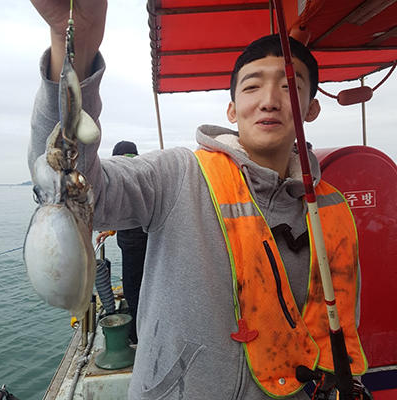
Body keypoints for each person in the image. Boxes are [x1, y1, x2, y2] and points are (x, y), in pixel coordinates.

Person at [28, 2, 367, 399]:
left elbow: (335, 321)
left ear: (311, 108)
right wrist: (74, 46)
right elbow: (75, 184)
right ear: (232, 109)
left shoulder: (329, 210)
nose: (269, 100)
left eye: (288, 86)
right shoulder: (177, 175)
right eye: (252, 86)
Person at [96, 140, 148, 344]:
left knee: (133, 290)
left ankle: (136, 336)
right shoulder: (145, 174)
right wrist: (111, 229)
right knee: (148, 286)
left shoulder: (121, 178)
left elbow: (121, 209)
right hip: (151, 242)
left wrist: (108, 226)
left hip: (133, 245)